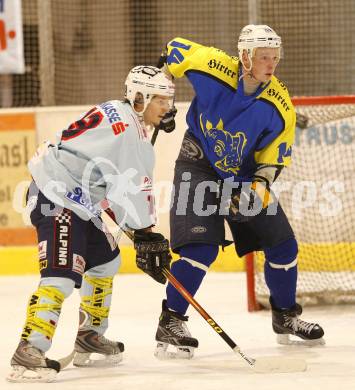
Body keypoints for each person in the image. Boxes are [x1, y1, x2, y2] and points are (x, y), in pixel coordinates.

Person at [153, 25, 325, 359]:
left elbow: (275, 154)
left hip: (244, 176)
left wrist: (259, 185)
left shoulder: (279, 104)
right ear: (245, 55)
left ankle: (285, 315)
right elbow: (172, 54)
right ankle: (170, 321)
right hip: (198, 164)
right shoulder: (211, 64)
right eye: (263, 57)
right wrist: (162, 100)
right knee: (200, 250)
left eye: (275, 57)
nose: (271, 64)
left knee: (283, 245)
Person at [7, 65, 175, 382]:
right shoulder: (132, 135)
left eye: (169, 99)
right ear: (140, 98)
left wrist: (141, 234)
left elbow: (107, 178)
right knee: (59, 276)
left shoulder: (116, 109)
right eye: (161, 100)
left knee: (105, 262)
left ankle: (90, 337)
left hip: (74, 197)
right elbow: (134, 190)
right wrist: (146, 236)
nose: (168, 107)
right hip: (57, 197)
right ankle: (28, 351)